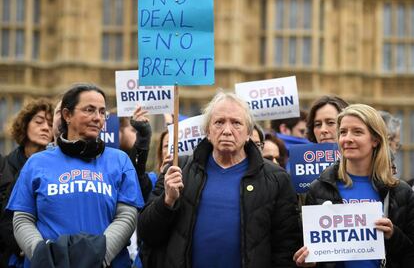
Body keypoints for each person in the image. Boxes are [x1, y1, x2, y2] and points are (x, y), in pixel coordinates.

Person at [138, 91, 301, 268]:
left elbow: (286, 249)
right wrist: (167, 201)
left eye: (236, 123)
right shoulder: (178, 170)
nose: (227, 130)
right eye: (219, 122)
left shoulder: (277, 179)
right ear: (208, 131)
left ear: (248, 133)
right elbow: (147, 234)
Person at [6, 83, 144, 267]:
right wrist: (42, 255)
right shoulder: (36, 162)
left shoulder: (120, 161)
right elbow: (23, 218)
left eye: (102, 112)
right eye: (90, 110)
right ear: (67, 115)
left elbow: (126, 216)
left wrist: (99, 255)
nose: (98, 118)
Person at [294, 104, 414, 267]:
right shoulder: (319, 188)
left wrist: (393, 235)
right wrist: (310, 262)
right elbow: (313, 252)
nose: (347, 138)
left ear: (375, 139)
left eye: (357, 132)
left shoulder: (401, 192)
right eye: (343, 132)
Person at [0, 98, 53, 268]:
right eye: (39, 122)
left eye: (51, 124)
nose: (45, 127)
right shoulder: (5, 166)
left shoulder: (56, 170)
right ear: (24, 125)